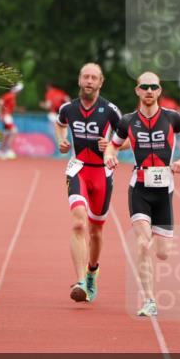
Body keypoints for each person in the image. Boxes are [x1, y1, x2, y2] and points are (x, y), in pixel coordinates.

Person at [104, 71, 180, 317]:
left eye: (154, 87)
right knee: (143, 245)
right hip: (139, 189)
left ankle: (163, 242)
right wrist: (110, 157)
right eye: (144, 87)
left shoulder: (172, 118)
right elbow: (113, 145)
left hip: (164, 191)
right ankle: (149, 300)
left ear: (159, 91)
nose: (149, 91)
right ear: (137, 90)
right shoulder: (127, 121)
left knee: (163, 252)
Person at [55, 63, 122, 303]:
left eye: (94, 78)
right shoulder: (68, 108)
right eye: (86, 77)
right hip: (78, 170)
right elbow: (60, 124)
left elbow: (125, 137)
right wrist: (62, 142)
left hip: (102, 173)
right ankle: (80, 281)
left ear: (100, 82)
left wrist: (112, 146)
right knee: (77, 221)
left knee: (96, 230)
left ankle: (92, 270)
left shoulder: (110, 110)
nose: (89, 81)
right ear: (79, 80)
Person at [0, 82, 23, 159]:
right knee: (14, 132)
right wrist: (0, 114)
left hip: (8, 116)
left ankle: (0, 151)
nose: (20, 92)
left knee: (6, 134)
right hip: (6, 117)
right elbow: (0, 103)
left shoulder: (13, 96)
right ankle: (8, 150)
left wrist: (19, 110)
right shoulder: (9, 95)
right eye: (19, 90)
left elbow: (10, 108)